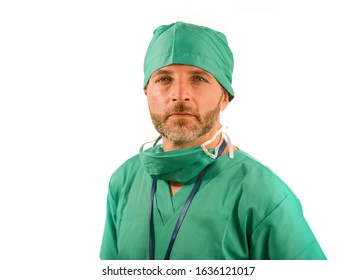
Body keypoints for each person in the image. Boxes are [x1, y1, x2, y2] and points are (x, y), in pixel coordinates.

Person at [99, 21, 326, 260]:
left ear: (225, 97)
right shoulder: (124, 181)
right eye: (164, 79)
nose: (179, 95)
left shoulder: (262, 193)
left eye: (198, 79)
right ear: (147, 92)